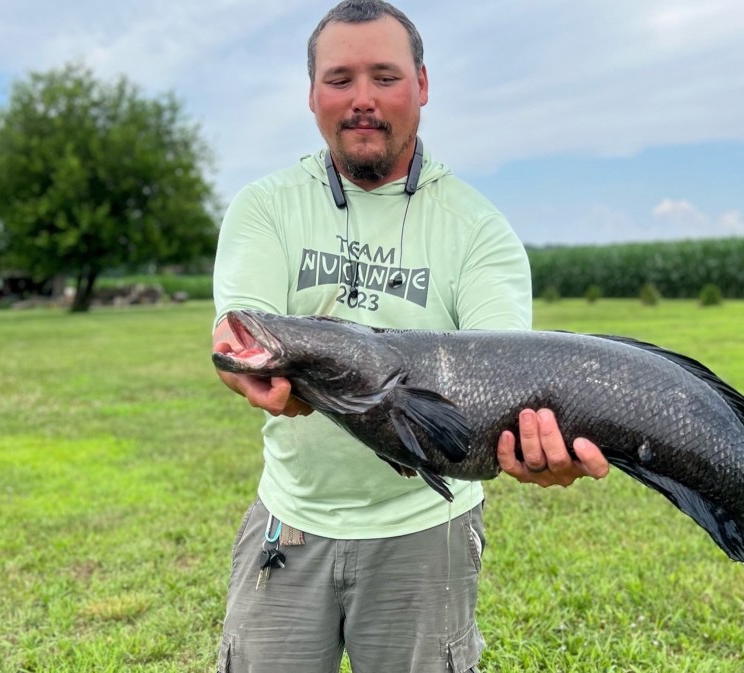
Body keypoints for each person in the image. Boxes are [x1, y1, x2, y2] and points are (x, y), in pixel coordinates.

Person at [211, 1, 609, 671]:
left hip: (426, 532)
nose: (362, 99)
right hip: (291, 519)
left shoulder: (479, 230)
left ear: (422, 86)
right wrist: (248, 371)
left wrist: (538, 443)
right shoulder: (265, 207)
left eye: (385, 76)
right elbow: (238, 337)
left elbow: (505, 388)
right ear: (312, 93)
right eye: (339, 78)